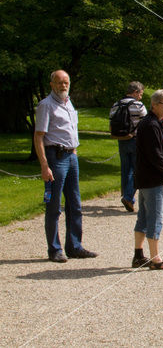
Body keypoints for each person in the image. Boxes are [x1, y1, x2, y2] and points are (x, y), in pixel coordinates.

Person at [34, 70, 98, 263]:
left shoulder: (68, 102)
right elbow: (39, 137)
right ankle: (54, 249)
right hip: (56, 157)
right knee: (54, 206)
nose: (63, 86)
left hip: (71, 156)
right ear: (52, 84)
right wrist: (45, 165)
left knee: (75, 204)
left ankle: (74, 246)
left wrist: (74, 152)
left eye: (66, 82)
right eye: (60, 82)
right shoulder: (46, 105)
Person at [132, 89, 163, 270]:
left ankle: (138, 255)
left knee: (143, 217)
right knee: (154, 218)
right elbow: (155, 154)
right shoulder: (151, 124)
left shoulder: (152, 122)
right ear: (154, 105)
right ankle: (156, 259)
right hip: (151, 179)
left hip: (145, 178)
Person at [110, 81, 147, 212]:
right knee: (137, 170)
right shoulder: (138, 105)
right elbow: (145, 124)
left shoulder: (116, 104)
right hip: (136, 140)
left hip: (121, 140)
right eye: (141, 94)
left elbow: (111, 121)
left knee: (125, 170)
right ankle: (128, 197)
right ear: (135, 92)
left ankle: (126, 195)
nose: (141, 97)